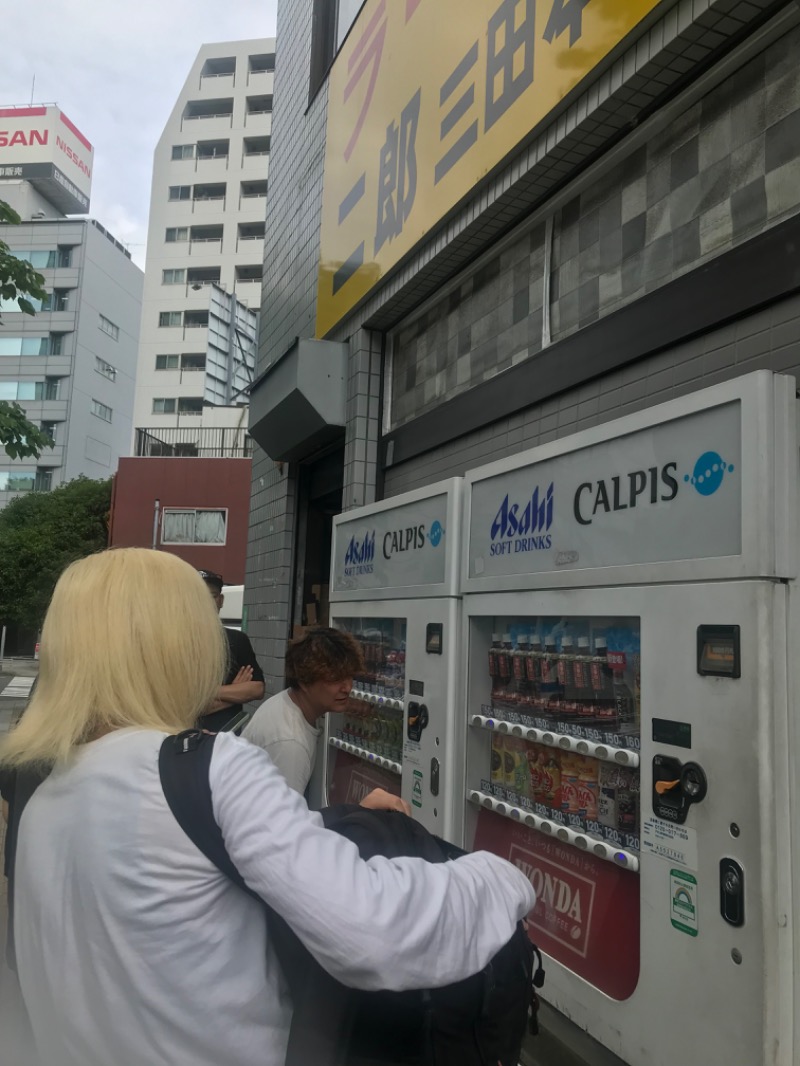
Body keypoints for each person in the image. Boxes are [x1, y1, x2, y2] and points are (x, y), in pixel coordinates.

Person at [0, 549, 535, 1066]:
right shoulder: (205, 767)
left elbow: (171, 874)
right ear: (178, 646)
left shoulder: (43, 794)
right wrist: (498, 878)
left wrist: (333, 822)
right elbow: (371, 931)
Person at [244, 626, 362, 794]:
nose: (348, 687)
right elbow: (282, 818)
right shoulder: (290, 744)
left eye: (350, 676)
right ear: (305, 681)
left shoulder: (286, 702)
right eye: (336, 679)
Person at [198, 569, 265, 731]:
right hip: (187, 740)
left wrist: (204, 693)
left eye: (212, 596)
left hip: (229, 738)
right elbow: (182, 707)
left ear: (220, 600)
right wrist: (234, 693)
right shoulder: (174, 642)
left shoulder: (237, 640)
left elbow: (257, 689)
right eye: (199, 596)